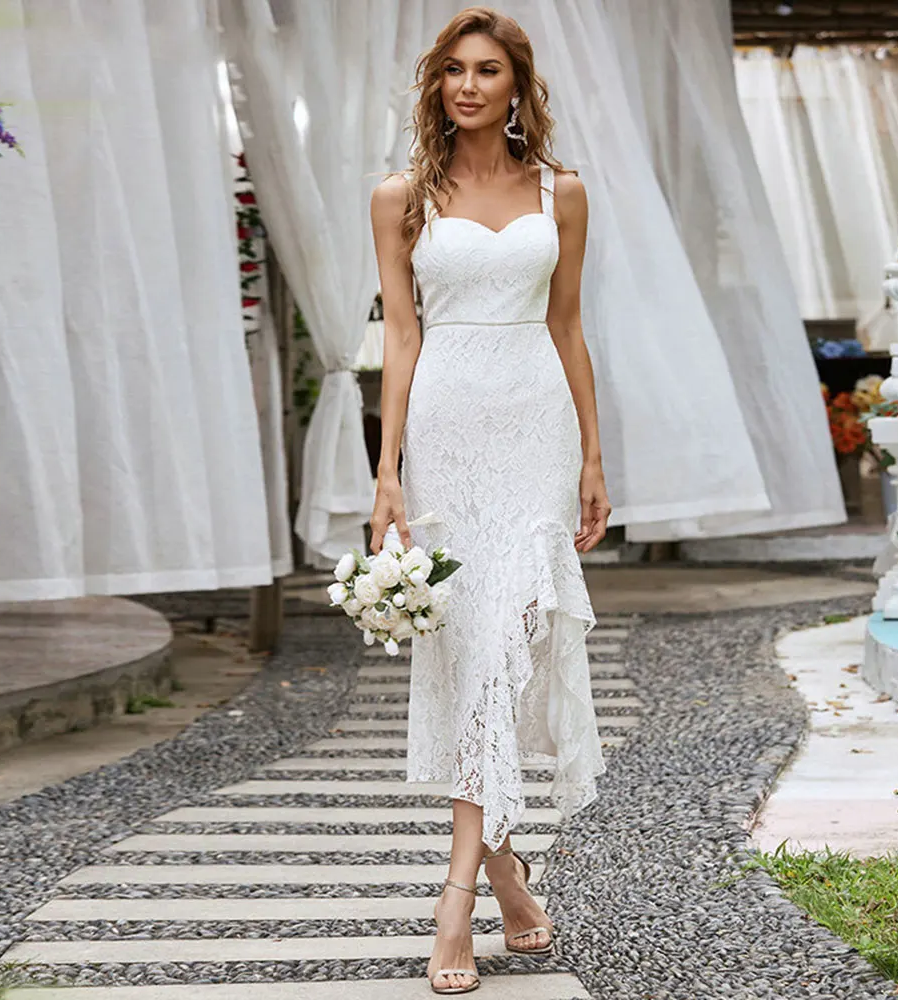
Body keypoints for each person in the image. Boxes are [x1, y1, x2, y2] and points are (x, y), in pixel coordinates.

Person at [368, 6, 612, 994]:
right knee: (471, 650)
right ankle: (505, 877)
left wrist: (594, 456)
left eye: (487, 71)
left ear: (517, 86)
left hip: (536, 431)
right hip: (446, 429)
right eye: (453, 72)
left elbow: (568, 330)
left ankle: (455, 898)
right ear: (438, 85)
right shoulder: (401, 196)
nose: (468, 86)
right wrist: (385, 471)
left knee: (508, 645)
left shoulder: (564, 192)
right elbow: (399, 339)